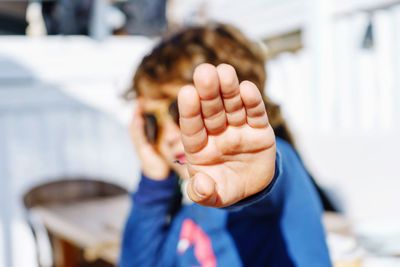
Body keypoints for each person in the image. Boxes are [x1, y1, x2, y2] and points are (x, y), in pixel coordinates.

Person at [120, 24, 332, 267]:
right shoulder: (185, 212)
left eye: (179, 111)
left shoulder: (271, 168)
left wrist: (251, 175)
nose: (168, 135)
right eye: (152, 121)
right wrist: (153, 180)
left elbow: (268, 178)